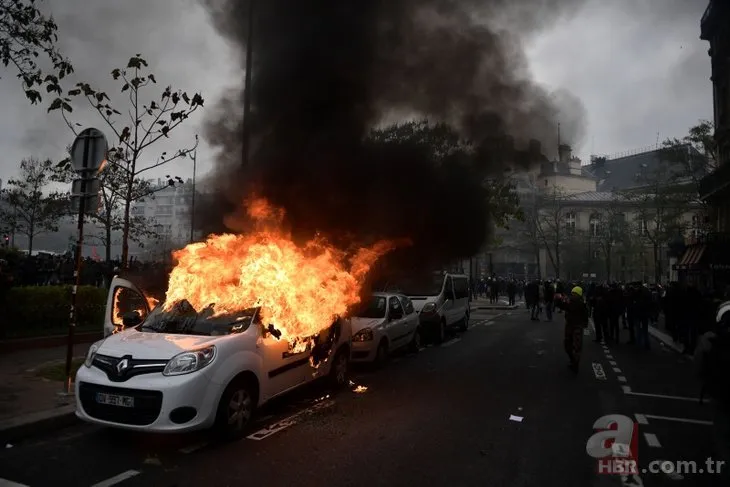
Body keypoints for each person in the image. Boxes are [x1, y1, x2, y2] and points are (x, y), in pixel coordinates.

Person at [556, 286, 589, 373]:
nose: (572, 295)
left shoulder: (570, 301)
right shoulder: (582, 303)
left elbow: (562, 306)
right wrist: (585, 324)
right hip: (578, 326)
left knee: (568, 344)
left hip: (570, 325)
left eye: (573, 293)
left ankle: (573, 361)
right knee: (577, 346)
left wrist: (558, 299)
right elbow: (586, 315)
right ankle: (575, 363)